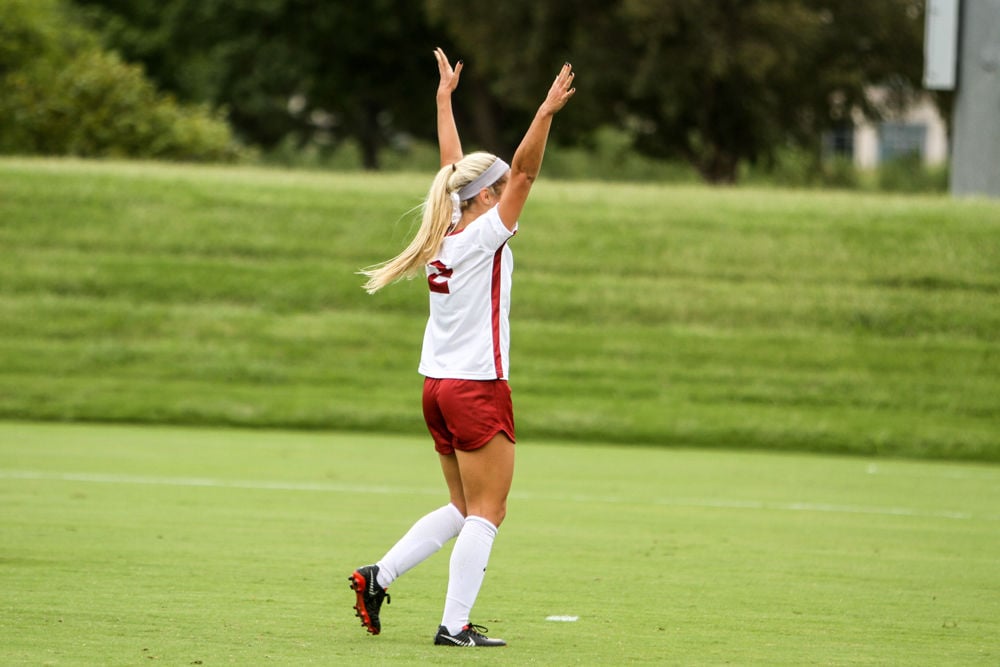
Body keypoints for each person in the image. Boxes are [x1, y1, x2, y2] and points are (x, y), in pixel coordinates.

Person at [348, 48, 575, 648]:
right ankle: (453, 626)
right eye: (495, 189)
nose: (506, 193)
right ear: (483, 198)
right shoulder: (484, 236)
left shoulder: (449, 223)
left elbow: (455, 166)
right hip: (476, 385)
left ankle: (380, 575)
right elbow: (524, 173)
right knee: (488, 512)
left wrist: (444, 101)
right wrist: (545, 113)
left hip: (436, 387)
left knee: (460, 504)